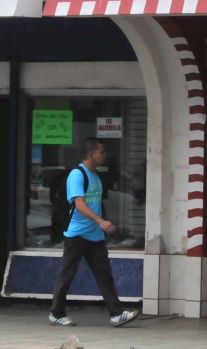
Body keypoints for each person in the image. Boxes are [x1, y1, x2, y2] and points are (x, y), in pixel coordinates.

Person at [48, 138, 139, 328]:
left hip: (94, 234)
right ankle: (56, 313)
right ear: (91, 154)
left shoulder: (96, 176)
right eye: (102, 152)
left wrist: (101, 225)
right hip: (77, 233)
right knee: (68, 273)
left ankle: (117, 313)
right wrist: (101, 221)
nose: (105, 155)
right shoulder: (77, 175)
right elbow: (80, 204)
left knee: (103, 273)